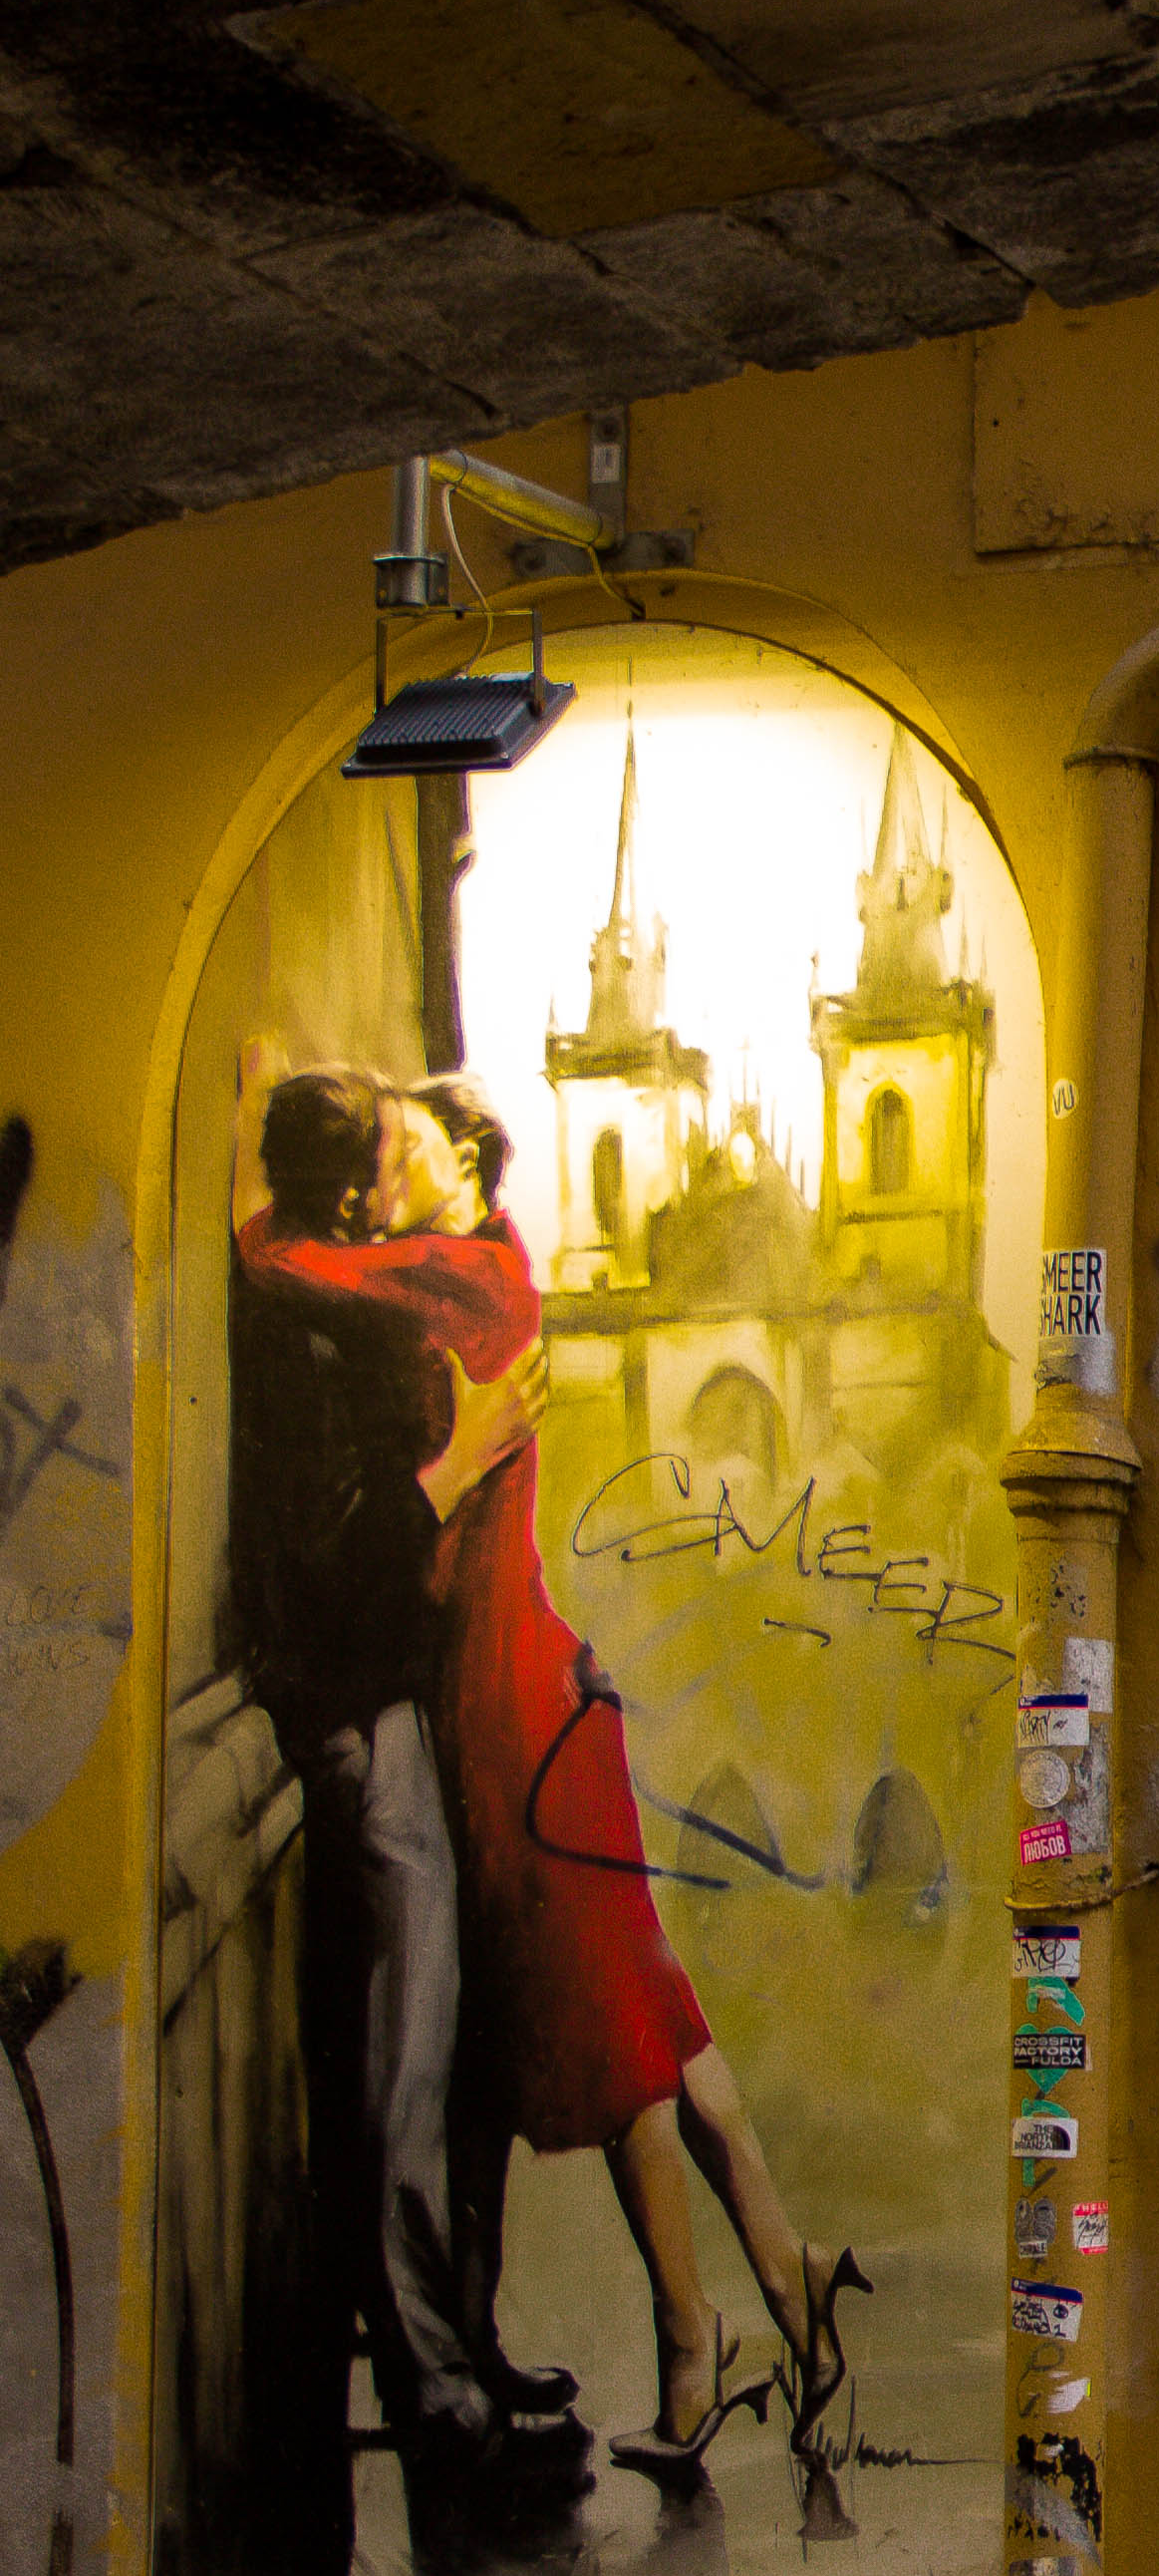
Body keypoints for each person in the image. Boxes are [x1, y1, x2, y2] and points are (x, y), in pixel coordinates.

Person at [238, 1078, 868, 2494]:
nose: (377, 1181)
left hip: (510, 1701)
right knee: (646, 2014)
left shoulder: (457, 1277)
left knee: (612, 2026)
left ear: (461, 1161)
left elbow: (306, 1269)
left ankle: (699, 2333)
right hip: (515, 1686)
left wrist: (262, 1240)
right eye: (373, 1155)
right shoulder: (485, 1268)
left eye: (400, 1151)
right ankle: (787, 2274)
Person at [231, 1063, 576, 2500]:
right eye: (380, 1159)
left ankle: (461, 2362)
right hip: (363, 1718)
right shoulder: (309, 1334)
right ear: (345, 1184)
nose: (396, 1192)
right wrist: (473, 1456)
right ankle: (442, 2411)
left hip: (400, 1705)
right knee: (406, 2070)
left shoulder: (341, 1301)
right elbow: (337, 1558)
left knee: (449, 2056)